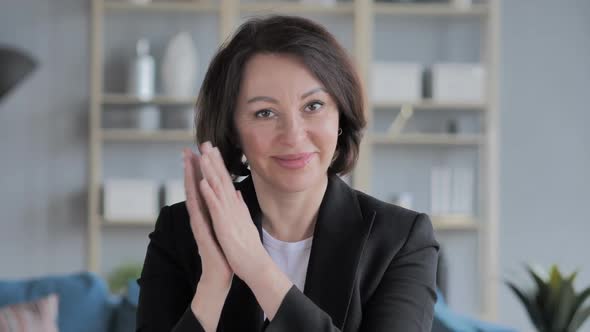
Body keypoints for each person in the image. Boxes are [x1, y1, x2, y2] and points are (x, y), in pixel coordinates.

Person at [136, 15, 439, 332]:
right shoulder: (179, 232)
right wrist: (212, 285)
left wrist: (256, 267)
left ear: (340, 115)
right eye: (265, 113)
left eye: (313, 106)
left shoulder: (401, 240)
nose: (293, 135)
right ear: (234, 130)